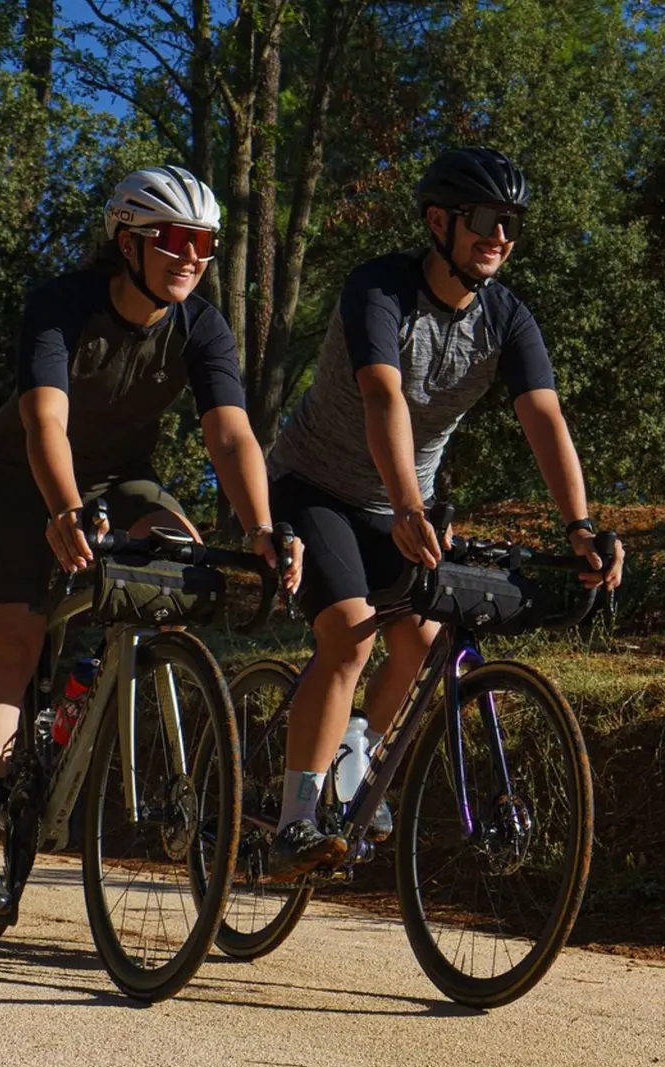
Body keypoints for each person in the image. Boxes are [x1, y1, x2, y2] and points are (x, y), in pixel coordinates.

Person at [0, 165, 302, 917]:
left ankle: (93, 675)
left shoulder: (201, 324)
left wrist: (264, 529)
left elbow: (230, 434)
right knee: (5, 649)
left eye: (204, 242)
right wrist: (66, 509)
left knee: (182, 558)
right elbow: (46, 422)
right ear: (126, 241)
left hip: (120, 483)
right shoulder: (61, 305)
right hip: (13, 487)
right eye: (173, 239)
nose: (192, 256)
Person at [260, 146, 626, 877]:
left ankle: (356, 746)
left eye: (512, 225)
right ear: (439, 222)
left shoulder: (507, 317)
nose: (500, 238)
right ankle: (296, 821)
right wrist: (403, 502)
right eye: (487, 220)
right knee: (350, 636)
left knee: (426, 639)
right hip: (314, 484)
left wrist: (580, 526)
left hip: (405, 501)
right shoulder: (380, 288)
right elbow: (382, 395)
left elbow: (545, 420)